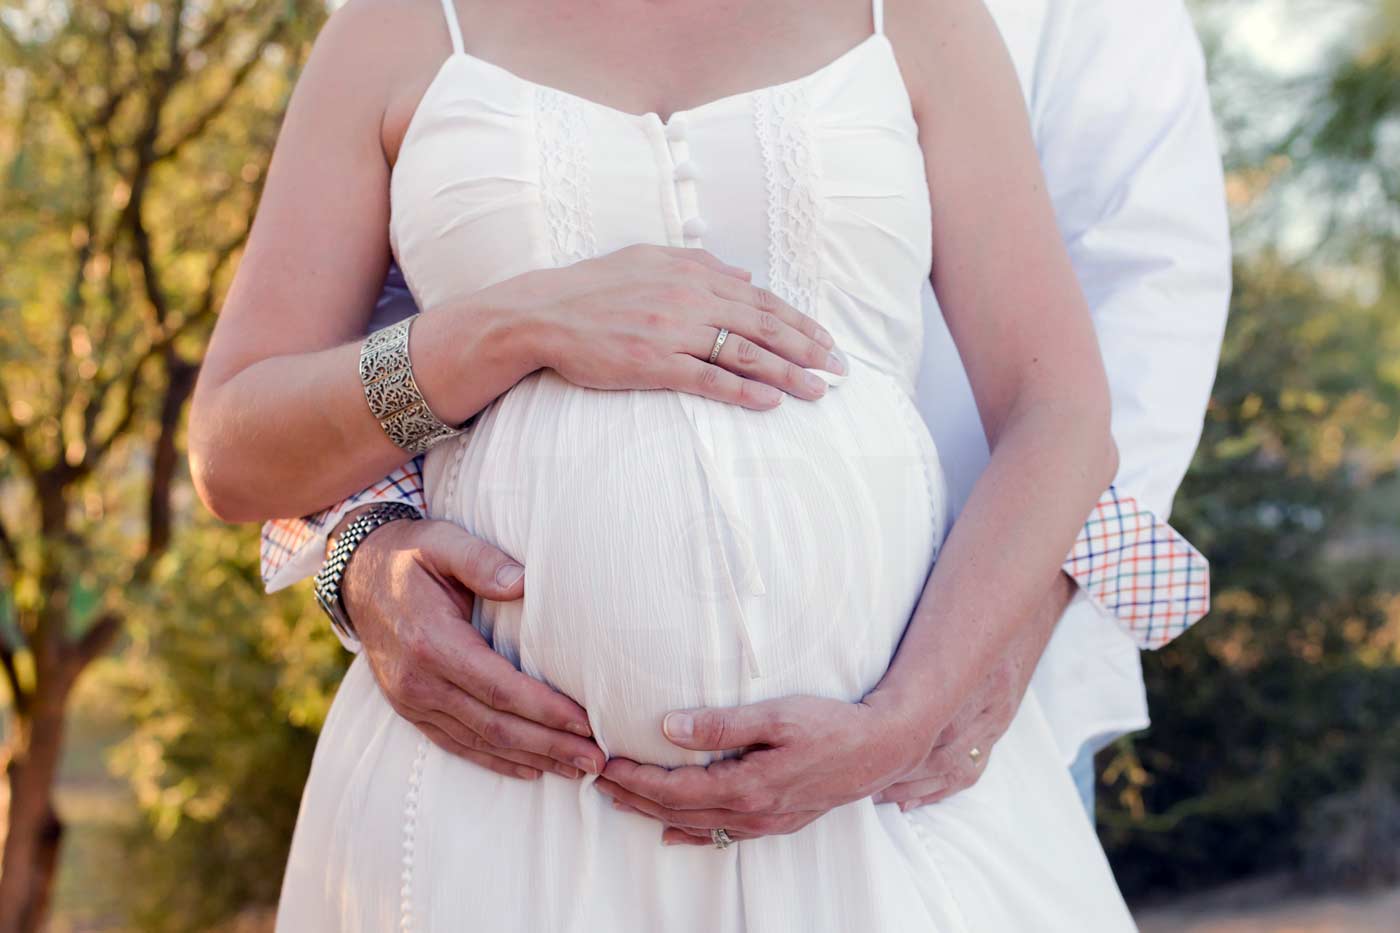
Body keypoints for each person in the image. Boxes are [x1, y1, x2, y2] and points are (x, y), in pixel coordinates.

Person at [191, 0, 1227, 929]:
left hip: (889, 783)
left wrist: (914, 705)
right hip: (501, 810)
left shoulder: (923, 21)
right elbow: (236, 447)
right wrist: (501, 331)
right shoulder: (399, 27)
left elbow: (1075, 391)